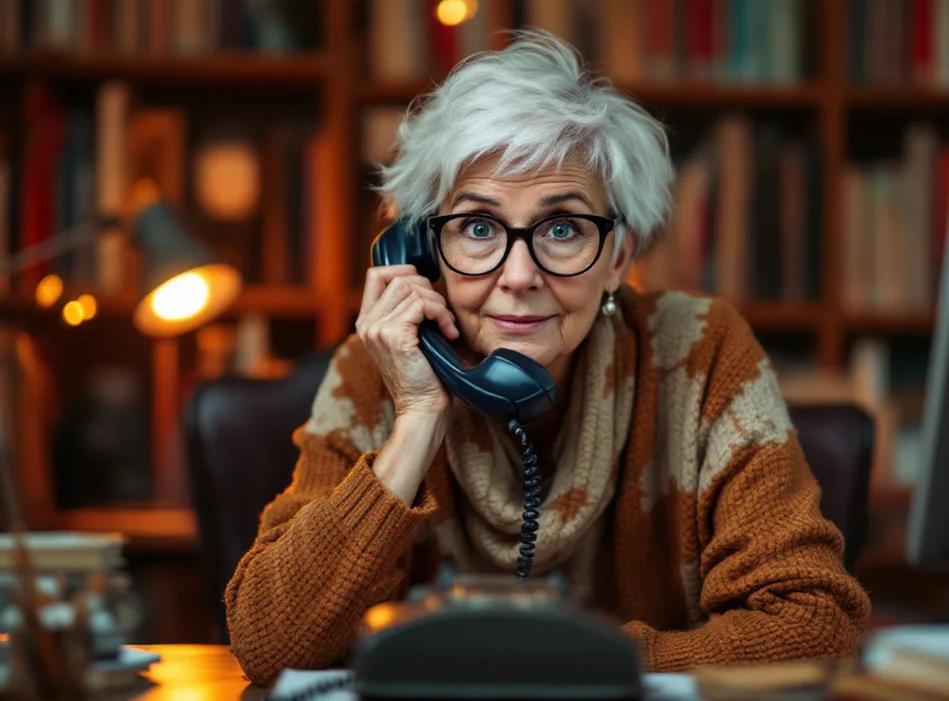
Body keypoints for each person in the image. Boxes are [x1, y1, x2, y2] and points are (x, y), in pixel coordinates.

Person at [224, 31, 871, 687]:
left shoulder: (700, 351)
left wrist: (561, 661)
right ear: (421, 252)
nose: (519, 273)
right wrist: (419, 417)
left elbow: (813, 626)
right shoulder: (376, 368)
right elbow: (272, 642)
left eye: (562, 229)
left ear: (618, 256)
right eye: (479, 227)